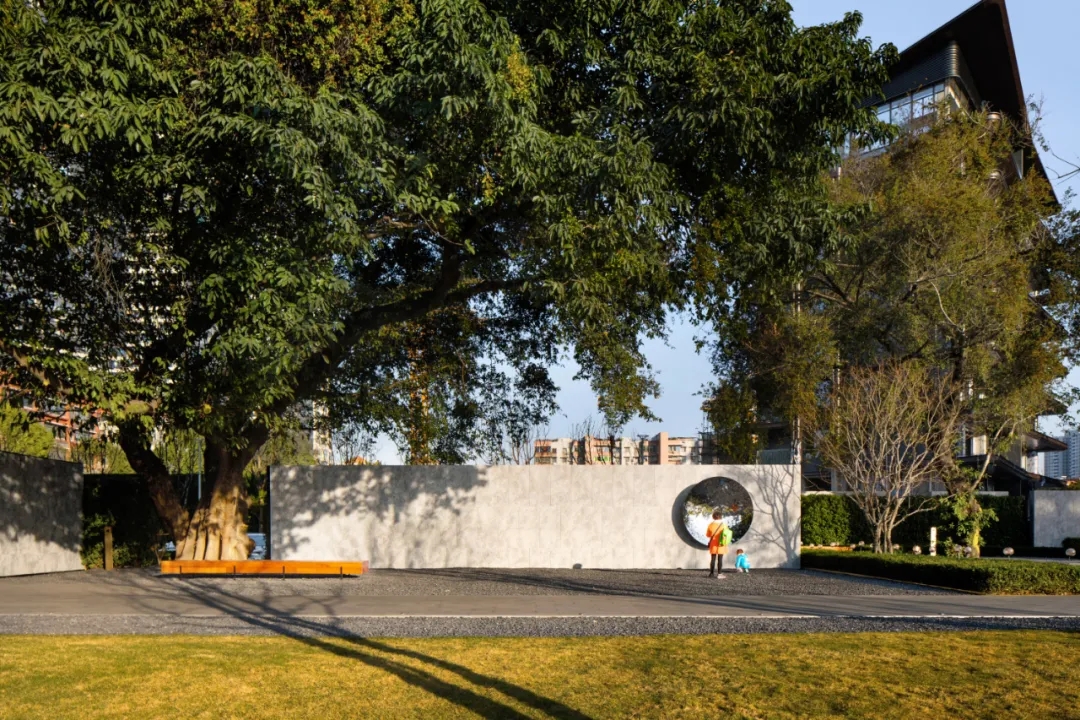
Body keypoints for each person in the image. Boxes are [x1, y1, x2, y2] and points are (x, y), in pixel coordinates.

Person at [705, 510, 731, 579]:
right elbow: (727, 534)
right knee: (720, 559)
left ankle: (711, 574)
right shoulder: (724, 525)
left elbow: (708, 535)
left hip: (713, 544)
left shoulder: (710, 525)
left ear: (713, 517)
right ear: (721, 516)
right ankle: (719, 574)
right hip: (721, 544)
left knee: (712, 559)